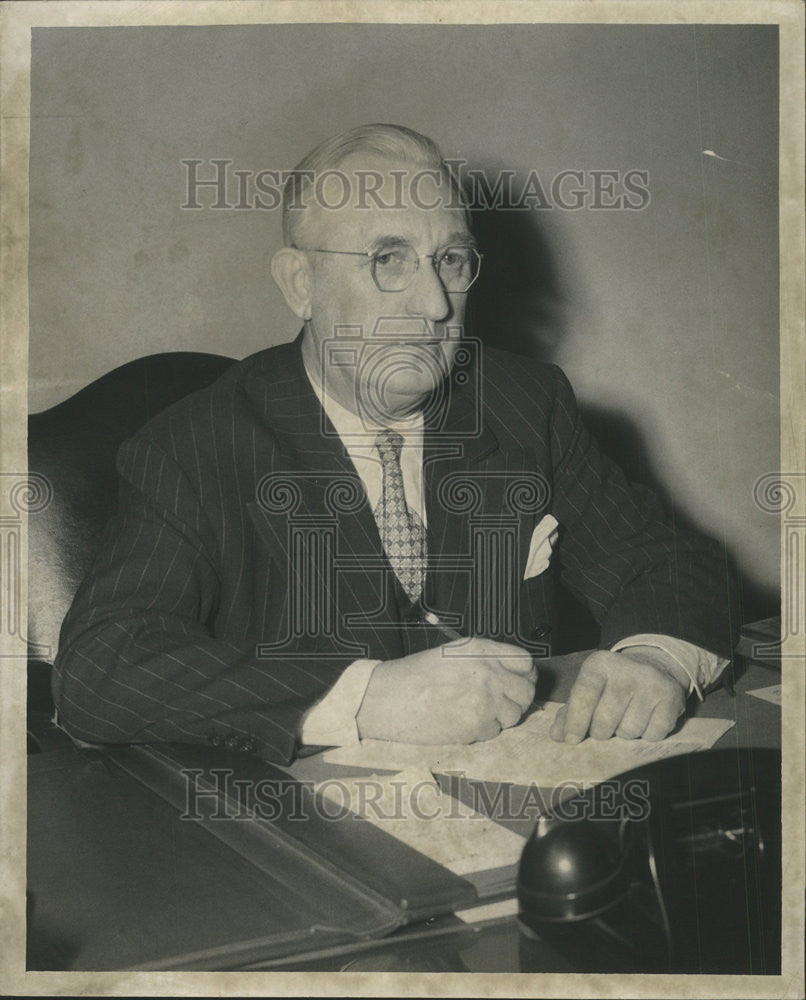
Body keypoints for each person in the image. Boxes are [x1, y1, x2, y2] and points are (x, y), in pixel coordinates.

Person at [52, 123, 738, 764]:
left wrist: (657, 661)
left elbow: (671, 566)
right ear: (301, 284)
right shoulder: (195, 447)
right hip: (298, 842)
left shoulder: (523, 404)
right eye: (389, 260)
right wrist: (367, 697)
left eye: (452, 260)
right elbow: (103, 669)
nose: (437, 304)